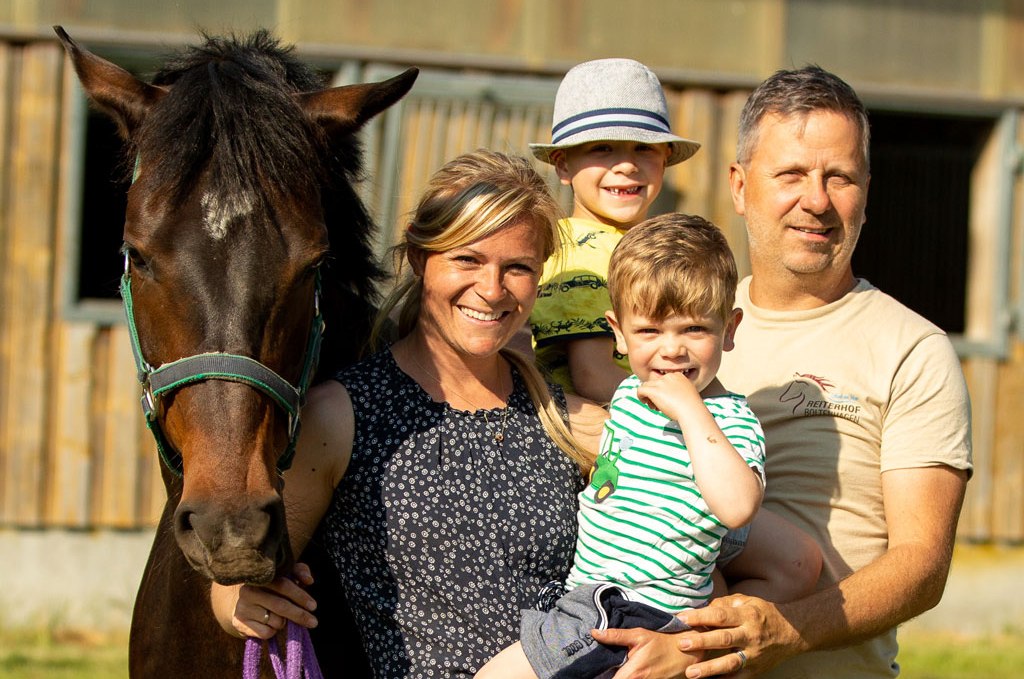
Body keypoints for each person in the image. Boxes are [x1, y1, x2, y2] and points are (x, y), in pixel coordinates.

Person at [209, 150, 699, 678]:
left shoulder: (574, 421)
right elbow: (244, 573)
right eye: (467, 260)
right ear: (421, 260)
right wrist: (238, 600)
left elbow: (697, 545)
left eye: (517, 268)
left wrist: (684, 645)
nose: (492, 290)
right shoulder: (342, 415)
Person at [622, 66, 973, 678]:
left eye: (839, 176)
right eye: (790, 174)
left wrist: (788, 630)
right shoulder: (677, 333)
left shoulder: (913, 348)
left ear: (867, 189)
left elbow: (921, 565)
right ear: (739, 185)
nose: (816, 200)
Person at [528, 57, 700, 403]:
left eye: (644, 148)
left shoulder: (632, 247)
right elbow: (591, 374)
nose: (625, 165)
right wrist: (686, 412)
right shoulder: (582, 252)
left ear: (665, 158)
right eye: (602, 148)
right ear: (563, 164)